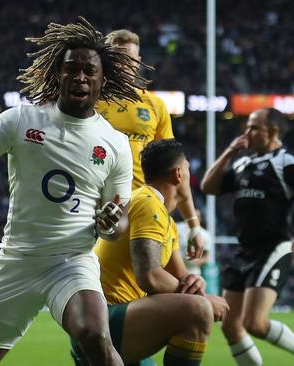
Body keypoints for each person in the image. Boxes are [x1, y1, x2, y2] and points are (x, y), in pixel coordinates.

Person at [0, 17, 149, 366]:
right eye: (72, 69)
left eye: (90, 71)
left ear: (104, 80)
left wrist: (109, 223)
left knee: (95, 335)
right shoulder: (20, 119)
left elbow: (119, 225)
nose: (80, 77)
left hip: (71, 262)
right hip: (17, 260)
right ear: (58, 74)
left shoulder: (116, 144)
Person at [71, 139, 229, 366]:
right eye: (187, 169)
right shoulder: (147, 203)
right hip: (100, 318)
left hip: (119, 318)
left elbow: (182, 278)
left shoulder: (166, 219)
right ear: (178, 174)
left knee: (196, 303)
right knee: (198, 310)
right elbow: (150, 276)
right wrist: (204, 300)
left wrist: (195, 283)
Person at [200, 108, 294, 366]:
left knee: (254, 323)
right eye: (247, 126)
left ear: (273, 131)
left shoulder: (287, 162)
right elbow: (208, 187)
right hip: (243, 251)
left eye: (254, 127)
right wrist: (230, 151)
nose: (247, 133)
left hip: (273, 248)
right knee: (230, 325)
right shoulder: (242, 162)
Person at [95, 29, 206, 260]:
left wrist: (193, 224)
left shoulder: (154, 105)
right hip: (99, 211)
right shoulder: (89, 102)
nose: (124, 64)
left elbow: (176, 169)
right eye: (117, 57)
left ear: (138, 62)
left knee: (171, 283)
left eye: (129, 58)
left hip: (146, 209)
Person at [176, 209, 212, 276]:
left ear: (200, 218)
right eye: (190, 216)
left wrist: (198, 262)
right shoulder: (176, 228)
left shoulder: (206, 235)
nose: (193, 219)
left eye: (196, 217)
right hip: (175, 269)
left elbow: (206, 256)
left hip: (193, 271)